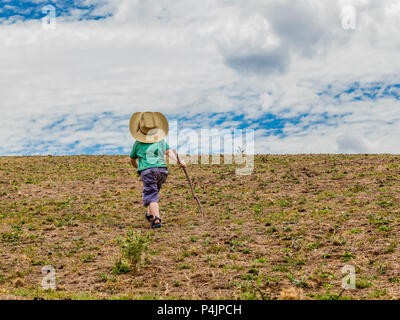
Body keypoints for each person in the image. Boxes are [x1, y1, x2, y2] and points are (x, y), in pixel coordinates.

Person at [129, 112, 186, 229]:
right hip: (162, 171)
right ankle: (150, 214)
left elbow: (132, 159)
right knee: (154, 192)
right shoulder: (160, 141)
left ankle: (156, 218)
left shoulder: (138, 143)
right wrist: (178, 161)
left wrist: (136, 166)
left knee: (151, 194)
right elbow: (169, 151)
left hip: (148, 171)